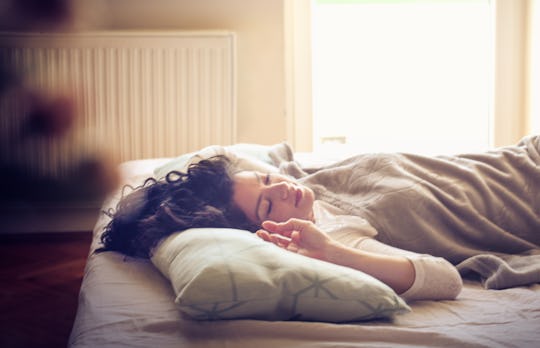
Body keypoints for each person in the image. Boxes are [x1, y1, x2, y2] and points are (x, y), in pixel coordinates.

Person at [97, 155, 463, 302]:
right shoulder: (334, 236)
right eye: (268, 205)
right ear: (266, 230)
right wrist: (335, 254)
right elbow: (446, 279)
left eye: (266, 177)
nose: (280, 187)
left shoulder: (280, 188)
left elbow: (219, 156)